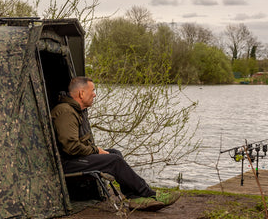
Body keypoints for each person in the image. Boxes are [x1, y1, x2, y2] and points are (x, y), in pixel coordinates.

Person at [51, 76, 180, 211]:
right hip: (66, 164)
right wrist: (95, 151)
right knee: (114, 160)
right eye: (92, 91)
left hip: (74, 158)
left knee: (114, 153)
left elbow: (77, 144)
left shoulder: (75, 111)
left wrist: (96, 150)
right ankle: (149, 194)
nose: (94, 94)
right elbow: (70, 147)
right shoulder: (66, 111)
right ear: (81, 93)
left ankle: (135, 198)